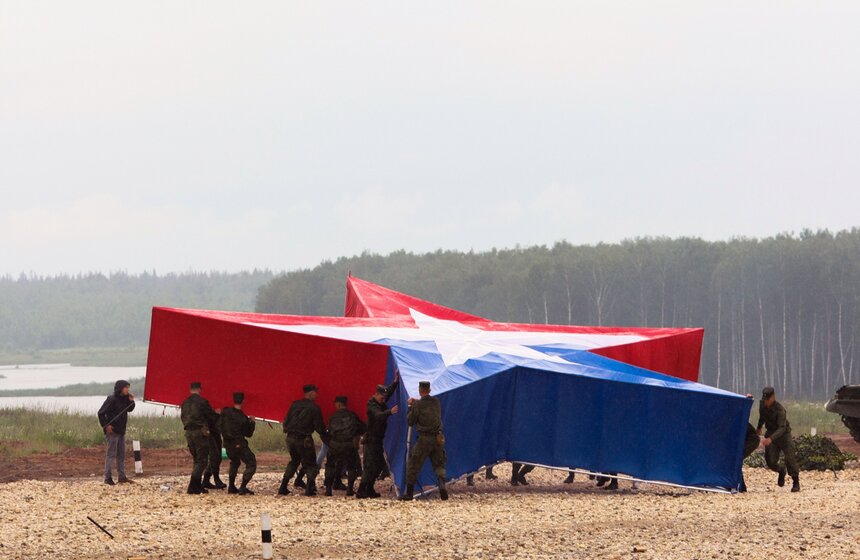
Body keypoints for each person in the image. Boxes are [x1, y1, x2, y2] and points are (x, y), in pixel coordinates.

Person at [400, 380, 448, 501]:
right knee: (439, 464)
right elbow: (427, 405)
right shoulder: (436, 402)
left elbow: (410, 421)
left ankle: (409, 493)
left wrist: (410, 407)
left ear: (419, 391)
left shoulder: (417, 405)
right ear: (430, 390)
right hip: (438, 438)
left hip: (424, 439)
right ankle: (442, 486)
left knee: (414, 465)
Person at [278, 384, 328, 497]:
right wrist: (327, 438)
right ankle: (309, 489)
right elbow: (319, 427)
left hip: (290, 438)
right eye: (316, 392)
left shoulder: (294, 405)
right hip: (304, 439)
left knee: (294, 461)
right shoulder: (314, 407)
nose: (317, 395)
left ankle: (283, 487)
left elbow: (286, 421)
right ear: (310, 393)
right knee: (310, 463)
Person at [356, 381, 399, 499]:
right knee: (370, 466)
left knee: (379, 464)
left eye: (384, 398)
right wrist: (390, 412)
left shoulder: (380, 401)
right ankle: (361, 490)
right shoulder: (372, 405)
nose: (383, 400)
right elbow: (378, 415)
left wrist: (395, 382)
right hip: (371, 440)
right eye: (382, 397)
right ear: (376, 394)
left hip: (378, 440)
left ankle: (369, 488)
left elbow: (388, 393)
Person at [757, 386, 800, 492]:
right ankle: (781, 470)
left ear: (773, 398)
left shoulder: (780, 410)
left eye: (767, 400)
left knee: (790, 458)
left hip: (784, 435)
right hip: (771, 433)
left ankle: (795, 482)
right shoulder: (762, 405)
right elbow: (762, 417)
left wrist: (771, 439)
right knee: (770, 461)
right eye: (764, 400)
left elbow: (782, 428)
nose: (766, 402)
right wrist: (759, 427)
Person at [180, 381, 219, 495]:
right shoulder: (202, 402)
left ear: (190, 389)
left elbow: (183, 417)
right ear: (200, 389)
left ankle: (197, 486)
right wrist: (217, 414)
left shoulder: (185, 403)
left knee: (196, 459)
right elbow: (211, 417)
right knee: (202, 460)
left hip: (188, 433)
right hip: (200, 433)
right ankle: (193, 486)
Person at [323, 396, 366, 496]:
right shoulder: (352, 415)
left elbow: (328, 430)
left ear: (338, 404)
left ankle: (328, 490)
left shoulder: (332, 416)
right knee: (351, 467)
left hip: (334, 444)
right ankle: (349, 489)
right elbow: (362, 428)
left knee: (330, 466)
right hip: (348, 444)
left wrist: (329, 442)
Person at [97, 379, 136, 485]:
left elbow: (130, 409)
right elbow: (100, 413)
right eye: (126, 387)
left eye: (128, 387)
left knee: (121, 455)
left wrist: (131, 400)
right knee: (111, 454)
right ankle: (108, 478)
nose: (128, 389)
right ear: (120, 388)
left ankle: (122, 477)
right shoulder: (111, 399)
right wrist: (106, 425)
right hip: (112, 431)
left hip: (121, 430)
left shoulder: (125, 399)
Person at [218, 392, 257, 495]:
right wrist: (252, 422)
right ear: (243, 401)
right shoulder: (243, 418)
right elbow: (248, 434)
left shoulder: (225, 411)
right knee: (251, 463)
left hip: (227, 444)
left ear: (233, 400)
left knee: (235, 462)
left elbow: (218, 424)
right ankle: (243, 487)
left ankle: (231, 487)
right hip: (239, 444)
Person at [202, 407, 226, 490]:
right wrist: (215, 413)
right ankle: (216, 479)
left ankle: (206, 480)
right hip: (209, 432)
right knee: (215, 456)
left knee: (217, 457)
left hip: (216, 432)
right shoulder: (207, 405)